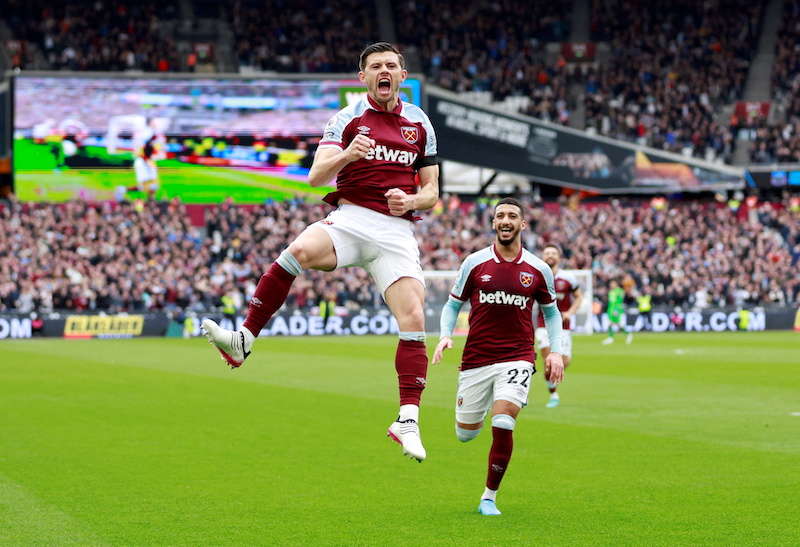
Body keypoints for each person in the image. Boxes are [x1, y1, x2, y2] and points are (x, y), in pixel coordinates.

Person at [201, 42, 439, 462]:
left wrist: (413, 202)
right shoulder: (346, 119)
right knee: (298, 250)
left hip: (395, 229)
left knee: (415, 316)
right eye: (375, 66)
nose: (385, 71)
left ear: (402, 75)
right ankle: (243, 339)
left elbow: (432, 191)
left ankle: (407, 420)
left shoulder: (420, 122)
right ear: (363, 77)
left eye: (392, 65)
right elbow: (315, 177)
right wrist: (348, 154)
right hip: (351, 218)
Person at [433, 198, 564, 516]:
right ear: (493, 223)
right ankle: (478, 413)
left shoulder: (538, 268)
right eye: (500, 216)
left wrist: (556, 352)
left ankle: (488, 497)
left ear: (522, 224)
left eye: (513, 216)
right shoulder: (475, 263)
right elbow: (452, 305)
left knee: (504, 421)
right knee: (466, 434)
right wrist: (445, 335)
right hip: (476, 359)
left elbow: (552, 313)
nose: (506, 220)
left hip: (518, 357)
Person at [535, 244, 582, 408]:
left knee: (564, 361)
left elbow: (578, 296)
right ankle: (553, 395)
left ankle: (552, 387)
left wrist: (570, 312)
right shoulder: (537, 276)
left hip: (563, 326)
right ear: (543, 256)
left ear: (558, 257)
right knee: (549, 363)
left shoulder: (568, 278)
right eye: (547, 252)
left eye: (553, 253)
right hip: (543, 325)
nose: (550, 255)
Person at [602, 279, 632, 344]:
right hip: (610, 309)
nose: (611, 285)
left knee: (613, 324)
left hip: (616, 310)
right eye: (610, 284)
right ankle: (627, 334)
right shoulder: (611, 291)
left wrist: (617, 310)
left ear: (616, 284)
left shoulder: (620, 291)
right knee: (616, 324)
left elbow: (620, 302)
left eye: (612, 283)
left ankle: (612, 338)